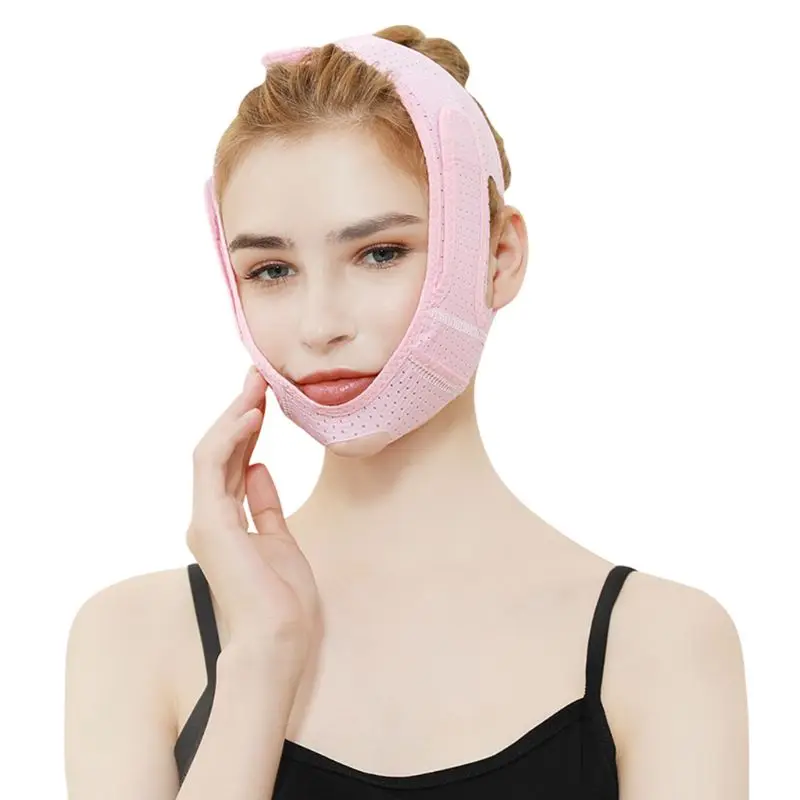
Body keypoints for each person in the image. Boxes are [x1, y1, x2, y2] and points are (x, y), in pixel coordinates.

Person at [64, 24, 749, 800]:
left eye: (380, 253)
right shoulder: (132, 637)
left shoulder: (662, 644)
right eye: (272, 269)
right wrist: (259, 659)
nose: (320, 323)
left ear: (498, 257)